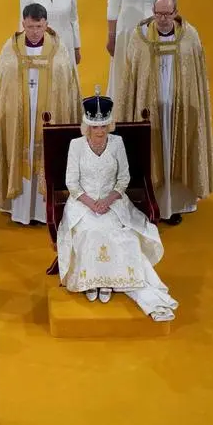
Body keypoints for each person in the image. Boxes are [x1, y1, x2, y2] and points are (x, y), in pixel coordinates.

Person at [56, 89, 178, 321]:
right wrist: (92, 203)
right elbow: (71, 182)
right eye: (95, 127)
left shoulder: (117, 143)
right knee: (89, 232)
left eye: (103, 127)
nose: (99, 132)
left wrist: (108, 200)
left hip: (113, 201)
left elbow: (124, 178)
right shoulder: (76, 146)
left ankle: (109, 282)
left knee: (123, 234)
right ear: (87, 127)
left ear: (109, 126)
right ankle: (91, 281)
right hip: (82, 203)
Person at [114, 0, 213, 224]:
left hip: (180, 109)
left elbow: (198, 77)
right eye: (158, 13)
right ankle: (150, 202)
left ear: (175, 12)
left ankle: (176, 205)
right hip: (149, 110)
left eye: (166, 13)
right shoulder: (139, 38)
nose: (161, 19)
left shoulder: (189, 37)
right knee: (151, 152)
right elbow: (131, 78)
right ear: (153, 11)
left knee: (176, 150)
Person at [0, 3, 81, 225]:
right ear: (23, 23)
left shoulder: (58, 49)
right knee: (21, 153)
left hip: (49, 115)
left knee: (46, 155)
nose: (35, 32)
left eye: (39, 26)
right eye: (30, 27)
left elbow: (67, 86)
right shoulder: (11, 49)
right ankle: (21, 210)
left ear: (46, 24)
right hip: (19, 118)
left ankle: (44, 211)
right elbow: (2, 84)